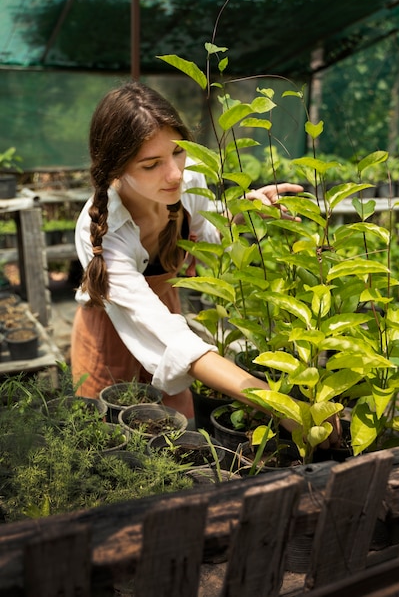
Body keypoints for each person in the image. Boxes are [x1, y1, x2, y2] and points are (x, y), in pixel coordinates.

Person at [71, 81, 339, 445]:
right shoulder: (100, 229)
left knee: (178, 443)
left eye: (178, 152)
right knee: (114, 449)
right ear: (115, 169)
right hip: (111, 334)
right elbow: (173, 338)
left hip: (168, 310)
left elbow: (207, 224)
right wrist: (280, 406)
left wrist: (247, 209)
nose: (175, 174)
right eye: (151, 165)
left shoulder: (186, 180)